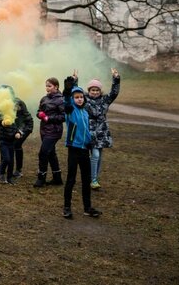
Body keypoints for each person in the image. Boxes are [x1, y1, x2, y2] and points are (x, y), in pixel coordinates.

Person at [61, 76, 101, 219]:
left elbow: (86, 129)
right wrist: (67, 90)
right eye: (76, 97)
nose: (79, 99)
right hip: (74, 149)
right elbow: (66, 100)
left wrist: (90, 141)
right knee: (71, 179)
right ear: (73, 99)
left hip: (85, 150)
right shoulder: (70, 110)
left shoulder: (85, 112)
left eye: (81, 97)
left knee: (86, 179)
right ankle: (66, 207)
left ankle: (87, 207)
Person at [77, 68, 121, 190]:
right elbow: (75, 93)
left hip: (102, 132)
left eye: (97, 90)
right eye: (92, 90)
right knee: (95, 155)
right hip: (89, 131)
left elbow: (114, 93)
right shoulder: (85, 100)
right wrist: (75, 81)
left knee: (99, 156)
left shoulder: (105, 100)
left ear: (100, 91)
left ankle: (94, 178)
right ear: (89, 90)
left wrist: (116, 79)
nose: (95, 92)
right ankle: (93, 180)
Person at [0, 86, 33, 185]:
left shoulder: (18, 103)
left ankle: (18, 170)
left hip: (24, 126)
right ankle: (4, 165)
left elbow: (26, 120)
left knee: (16, 145)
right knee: (5, 144)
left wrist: (20, 132)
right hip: (11, 129)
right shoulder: (2, 102)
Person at [33, 77, 66, 188]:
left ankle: (41, 178)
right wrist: (40, 115)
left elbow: (63, 116)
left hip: (54, 131)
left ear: (56, 87)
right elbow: (38, 111)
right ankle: (57, 178)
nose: (47, 88)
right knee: (51, 153)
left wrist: (49, 118)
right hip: (44, 130)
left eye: (49, 86)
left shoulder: (61, 100)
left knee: (43, 153)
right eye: (46, 85)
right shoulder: (44, 99)